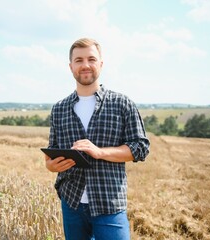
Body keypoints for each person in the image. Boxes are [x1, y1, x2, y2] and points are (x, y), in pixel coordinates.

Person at [44, 38, 150, 240]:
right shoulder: (59, 109)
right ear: (70, 66)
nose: (85, 65)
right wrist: (51, 166)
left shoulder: (122, 103)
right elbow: (52, 151)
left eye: (91, 59)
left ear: (101, 64)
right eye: (79, 60)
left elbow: (141, 148)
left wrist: (100, 152)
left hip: (109, 202)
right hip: (72, 202)